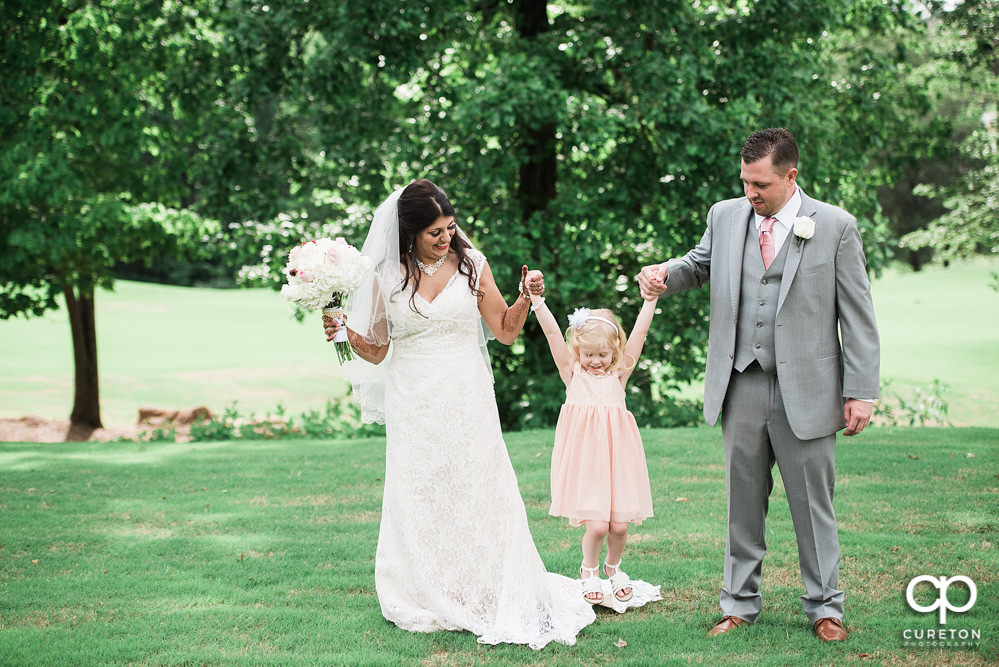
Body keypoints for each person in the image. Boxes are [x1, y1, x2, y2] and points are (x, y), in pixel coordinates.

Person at [322, 179, 595, 649]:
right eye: (434, 232)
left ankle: (485, 583)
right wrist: (344, 332)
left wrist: (527, 296)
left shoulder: (472, 265)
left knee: (477, 484)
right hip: (412, 398)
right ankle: (429, 586)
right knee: (422, 487)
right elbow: (379, 348)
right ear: (409, 233)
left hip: (467, 394)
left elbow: (506, 331)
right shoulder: (385, 274)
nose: (446, 237)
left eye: (449, 227)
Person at [637, 128, 880, 642]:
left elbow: (858, 315)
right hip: (740, 382)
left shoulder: (835, 226)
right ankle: (739, 604)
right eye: (746, 181)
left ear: (792, 176)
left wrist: (861, 389)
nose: (751, 193)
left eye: (762, 184)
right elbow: (698, 265)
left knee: (813, 505)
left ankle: (825, 608)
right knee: (741, 501)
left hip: (810, 388)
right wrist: (664, 274)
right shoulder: (724, 216)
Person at [528, 291, 662, 612]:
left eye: (603, 354)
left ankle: (613, 568)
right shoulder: (572, 374)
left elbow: (640, 334)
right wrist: (537, 301)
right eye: (588, 353)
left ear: (614, 351)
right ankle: (589, 569)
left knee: (620, 526)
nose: (596, 360)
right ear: (578, 350)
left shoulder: (619, 374)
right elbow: (549, 333)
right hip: (587, 461)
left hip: (618, 458)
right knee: (598, 525)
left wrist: (650, 300)